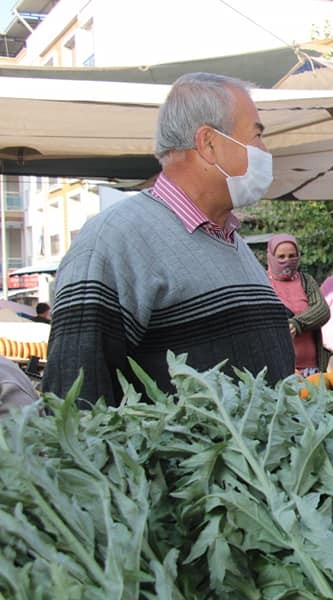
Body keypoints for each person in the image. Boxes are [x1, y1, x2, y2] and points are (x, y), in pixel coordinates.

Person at [43, 72, 294, 406]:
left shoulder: (232, 239)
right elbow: (74, 405)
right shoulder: (113, 241)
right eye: (257, 135)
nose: (264, 150)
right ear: (208, 143)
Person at [267, 233, 330, 376]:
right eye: (281, 257)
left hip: (311, 368)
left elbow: (322, 310)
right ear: (270, 256)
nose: (287, 261)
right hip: (278, 368)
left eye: (292, 256)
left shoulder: (306, 281)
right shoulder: (262, 282)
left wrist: (297, 324)